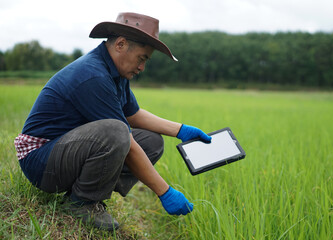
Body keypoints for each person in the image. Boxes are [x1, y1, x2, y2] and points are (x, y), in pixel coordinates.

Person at [14, 12, 211, 231]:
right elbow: (123, 137)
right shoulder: (93, 75)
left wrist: (181, 130)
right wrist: (165, 192)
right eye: (142, 58)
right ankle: (82, 203)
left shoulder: (115, 73)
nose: (142, 67)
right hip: (40, 160)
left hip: (63, 150)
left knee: (152, 142)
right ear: (121, 44)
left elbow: (133, 114)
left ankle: (85, 193)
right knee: (117, 132)